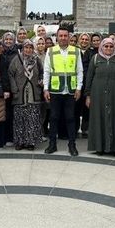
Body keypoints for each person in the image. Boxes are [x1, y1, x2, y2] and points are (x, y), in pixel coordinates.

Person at [43, 26, 84, 156]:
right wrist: (45, 88)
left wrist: (78, 88)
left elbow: (79, 71)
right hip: (55, 90)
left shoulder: (76, 51)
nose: (63, 38)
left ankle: (72, 145)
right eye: (60, 36)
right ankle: (52, 144)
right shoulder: (51, 51)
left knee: (71, 118)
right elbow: (47, 71)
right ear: (57, 37)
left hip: (71, 91)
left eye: (65, 36)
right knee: (54, 118)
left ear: (69, 36)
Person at [9, 39, 43, 150]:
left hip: (33, 93)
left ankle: (30, 142)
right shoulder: (16, 59)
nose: (28, 50)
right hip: (20, 94)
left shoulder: (37, 60)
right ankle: (20, 142)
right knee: (19, 119)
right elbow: (10, 74)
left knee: (32, 119)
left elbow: (42, 73)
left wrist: (41, 81)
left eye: (30, 48)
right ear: (22, 48)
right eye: (26, 47)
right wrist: (14, 89)